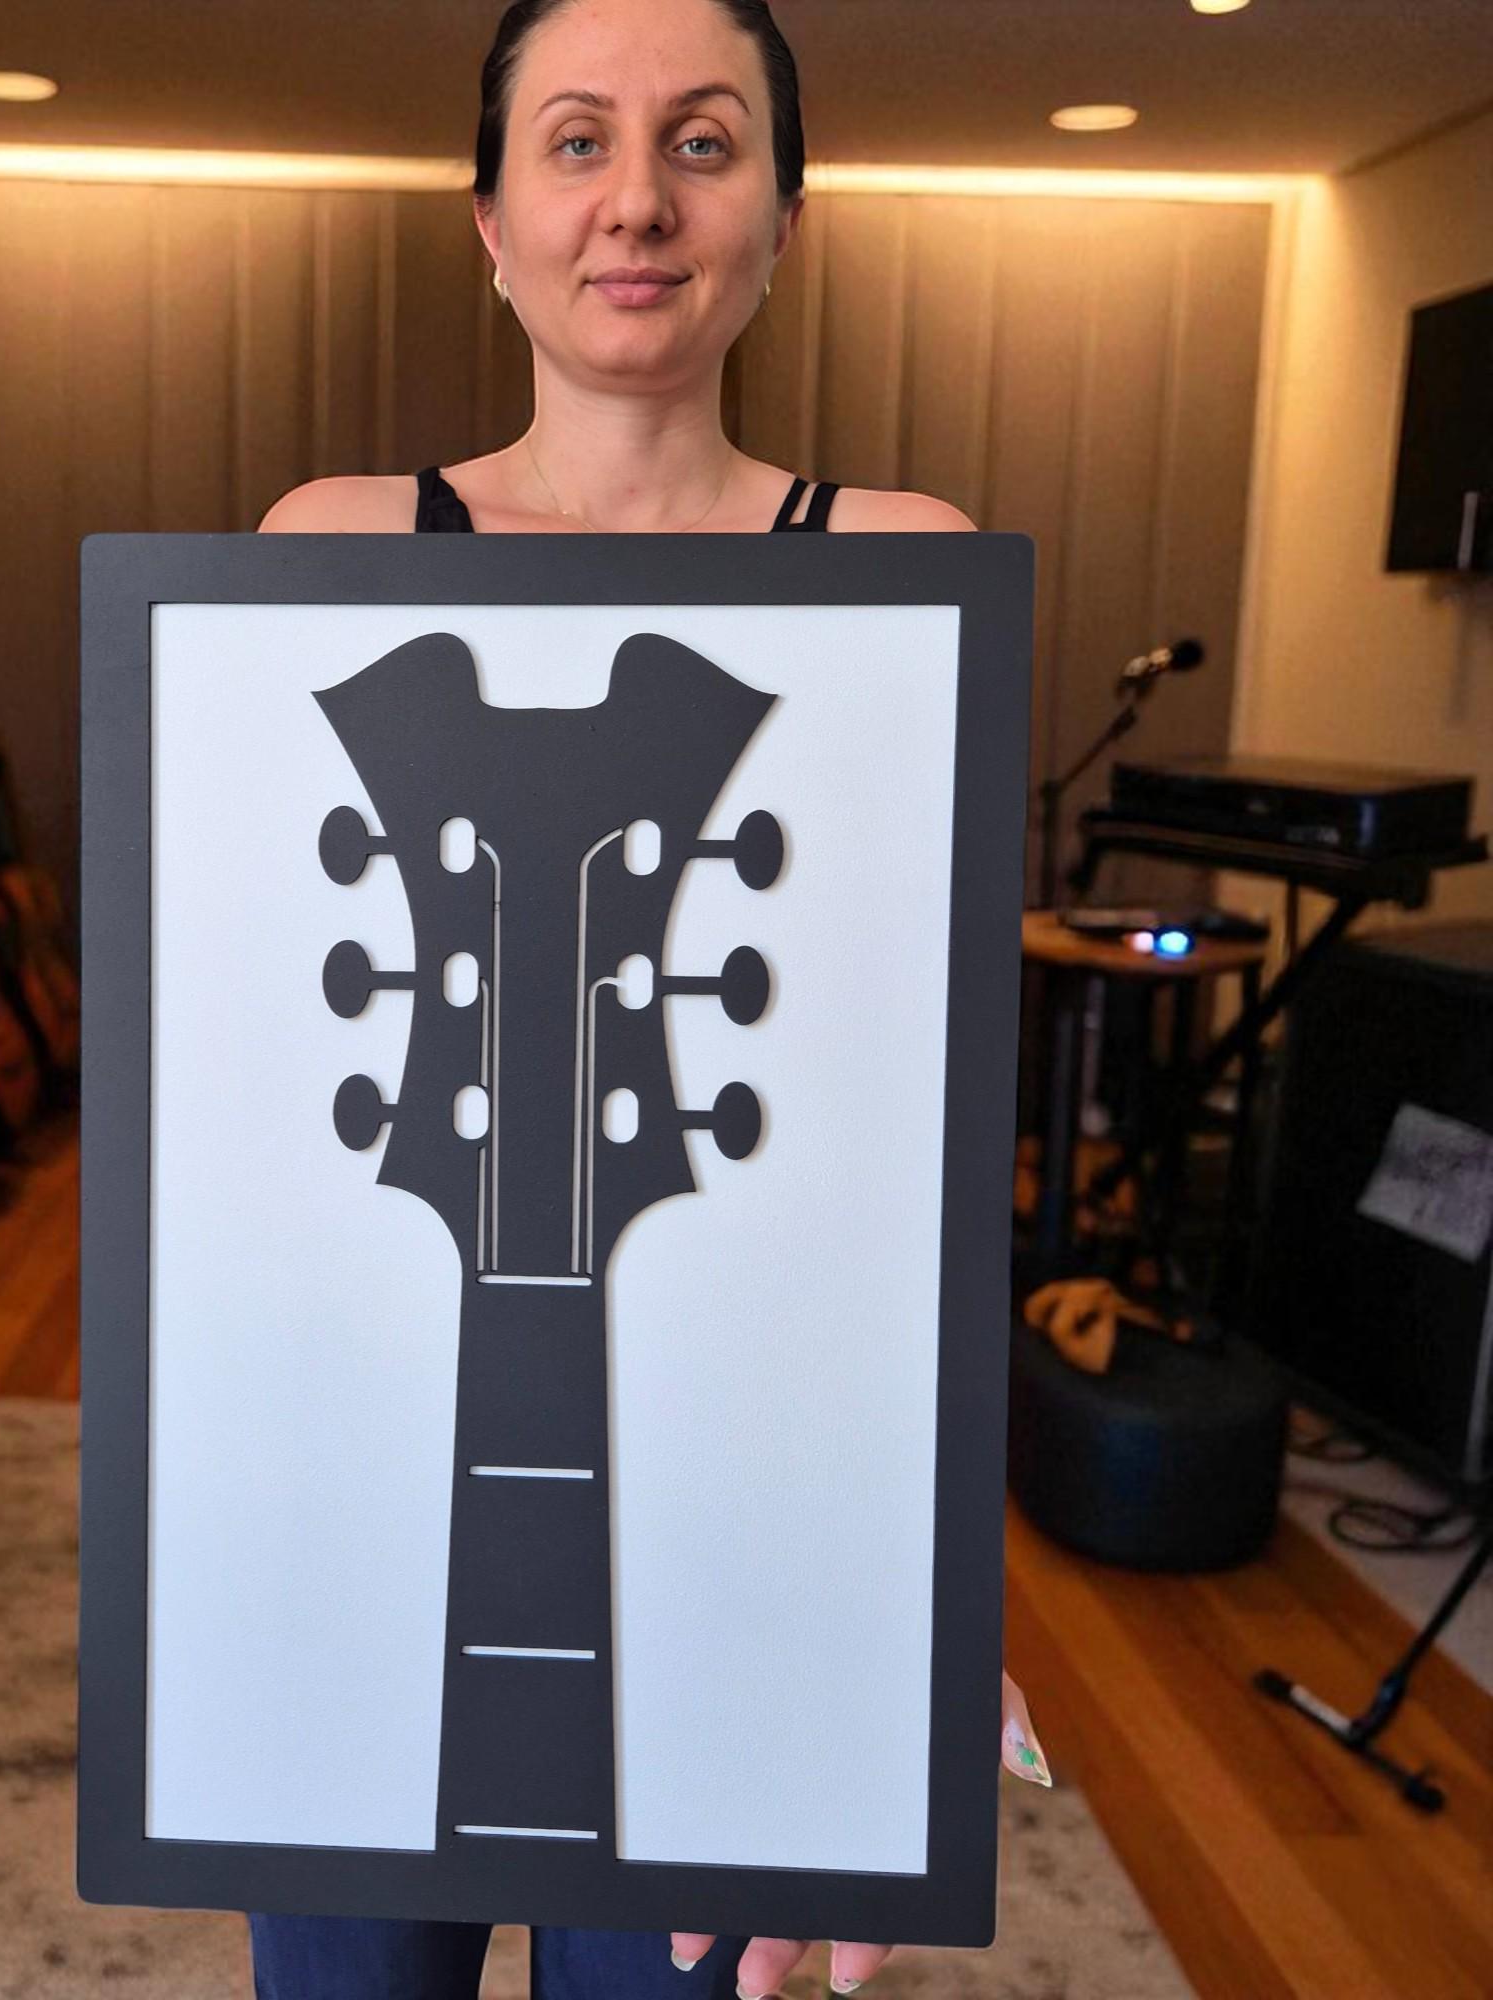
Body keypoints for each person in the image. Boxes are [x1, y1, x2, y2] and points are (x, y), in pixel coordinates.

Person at [256, 1, 1052, 1992]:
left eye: (703, 142)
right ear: (489, 219)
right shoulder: (325, 550)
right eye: (575, 141)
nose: (636, 199)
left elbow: (910, 1174)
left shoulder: (905, 571)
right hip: (355, 1491)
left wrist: (914, 1623)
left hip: (741, 1532)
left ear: (784, 218)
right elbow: (252, 1116)